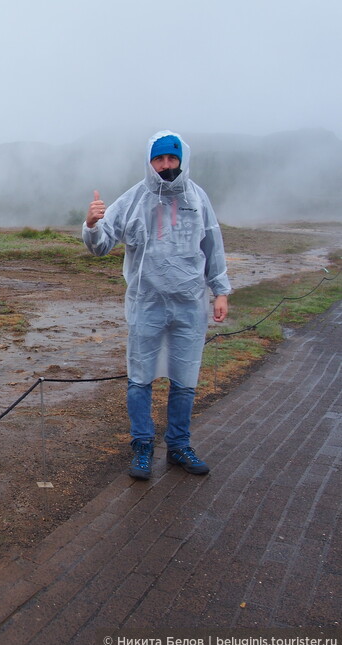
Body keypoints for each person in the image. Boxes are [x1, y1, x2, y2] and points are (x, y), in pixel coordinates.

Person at [83, 131, 231, 479]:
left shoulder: (198, 198)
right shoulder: (134, 199)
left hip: (190, 306)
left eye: (172, 159)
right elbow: (101, 245)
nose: (166, 165)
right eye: (159, 159)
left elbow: (212, 244)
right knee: (140, 377)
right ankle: (142, 446)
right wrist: (91, 224)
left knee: (185, 377)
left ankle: (179, 445)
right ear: (150, 161)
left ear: (182, 160)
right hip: (146, 304)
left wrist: (220, 291)